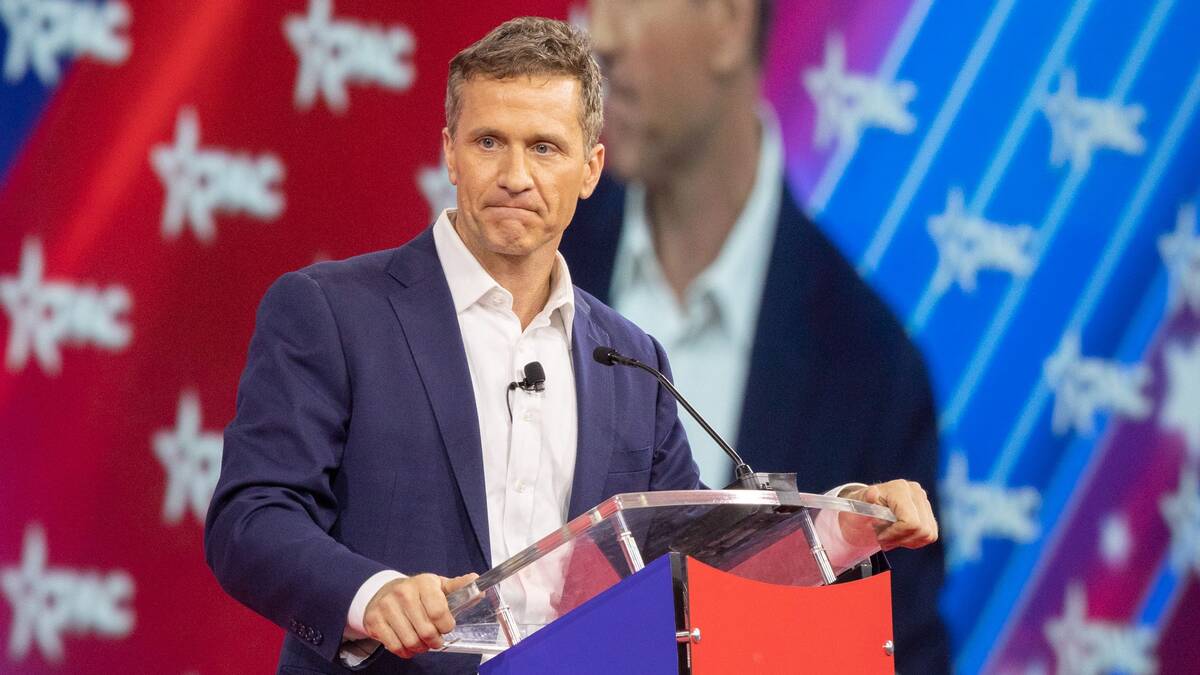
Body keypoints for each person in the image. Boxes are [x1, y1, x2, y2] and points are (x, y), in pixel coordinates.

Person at [204, 16, 939, 675]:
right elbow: (251, 518)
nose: (515, 176)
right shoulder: (331, 312)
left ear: (590, 169)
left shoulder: (632, 360)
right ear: (450, 154)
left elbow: (699, 570)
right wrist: (373, 594)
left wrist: (840, 523)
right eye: (489, 142)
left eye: (545, 148)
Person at [558, 1, 951, 672]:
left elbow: (899, 652)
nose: (602, 37)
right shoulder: (531, 271)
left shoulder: (874, 369)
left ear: (729, 23)